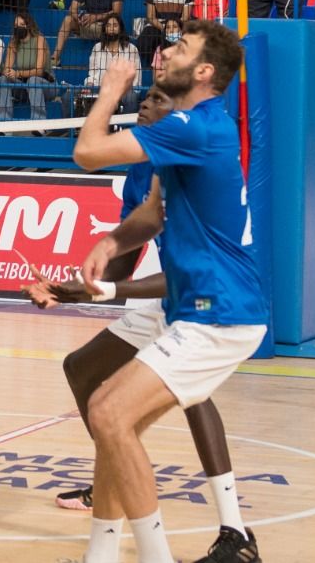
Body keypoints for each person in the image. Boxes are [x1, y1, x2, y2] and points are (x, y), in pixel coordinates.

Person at [24, 87, 258, 563]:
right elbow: (121, 264)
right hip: (170, 298)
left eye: (155, 99)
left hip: (206, 299)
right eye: (144, 97)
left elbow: (179, 276)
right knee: (85, 373)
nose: (145, 105)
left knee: (172, 401)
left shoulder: (196, 152)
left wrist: (109, 291)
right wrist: (69, 288)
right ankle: (117, 489)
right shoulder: (141, 174)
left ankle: (234, 529)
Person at [70, 20, 265, 563]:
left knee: (108, 413)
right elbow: (154, 214)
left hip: (221, 311)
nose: (166, 53)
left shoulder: (194, 128)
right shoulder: (190, 127)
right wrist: (110, 242)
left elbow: (87, 152)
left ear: (203, 72)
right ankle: (101, 558)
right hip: (197, 307)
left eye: (180, 48)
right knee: (114, 419)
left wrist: (110, 91)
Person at [54, 0, 124, 66]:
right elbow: (72, 8)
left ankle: (112, 62)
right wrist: (77, 17)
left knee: (113, 25)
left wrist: (95, 17)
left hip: (106, 27)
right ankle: (55, 57)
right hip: (88, 25)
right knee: (68, 20)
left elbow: (117, 12)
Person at [80, 15, 141, 115]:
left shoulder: (131, 49)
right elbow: (92, 73)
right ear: (104, 29)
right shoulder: (97, 48)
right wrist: (89, 84)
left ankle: (126, 129)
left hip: (124, 91)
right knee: (68, 96)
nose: (111, 29)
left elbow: (136, 78)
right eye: (108, 26)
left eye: (115, 25)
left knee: (131, 97)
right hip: (100, 87)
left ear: (120, 29)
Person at [0, 12, 54, 121]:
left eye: (21, 25)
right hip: (24, 87)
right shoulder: (13, 43)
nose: (18, 28)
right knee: (2, 79)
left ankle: (39, 122)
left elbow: (39, 71)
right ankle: (4, 121)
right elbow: (7, 68)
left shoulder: (39, 39)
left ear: (28, 26)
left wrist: (18, 73)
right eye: (15, 26)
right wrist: (8, 72)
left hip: (46, 85)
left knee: (33, 80)